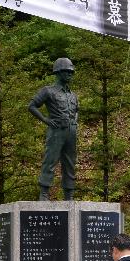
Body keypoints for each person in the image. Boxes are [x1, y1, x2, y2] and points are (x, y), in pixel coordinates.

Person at [28, 57, 79, 201]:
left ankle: (69, 195)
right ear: (58, 72)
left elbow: (76, 110)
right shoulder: (48, 91)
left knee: (70, 163)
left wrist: (75, 121)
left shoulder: (72, 95)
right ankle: (44, 193)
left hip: (71, 132)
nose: (70, 74)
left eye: (71, 72)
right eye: (66, 71)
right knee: (50, 161)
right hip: (56, 132)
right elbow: (32, 106)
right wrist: (46, 120)